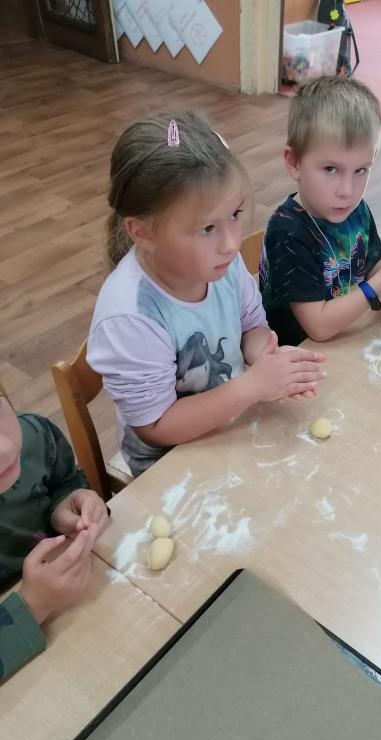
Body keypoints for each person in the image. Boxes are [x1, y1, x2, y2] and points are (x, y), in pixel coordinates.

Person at [88, 110, 326, 476]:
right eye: (206, 228)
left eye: (235, 214)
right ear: (142, 232)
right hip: (168, 465)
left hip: (231, 421)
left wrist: (267, 358)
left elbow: (251, 326)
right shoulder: (130, 318)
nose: (231, 243)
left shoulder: (220, 264)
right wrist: (251, 387)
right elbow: (156, 427)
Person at [259, 76, 381, 346]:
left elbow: (370, 268)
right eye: (330, 169)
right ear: (294, 163)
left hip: (348, 337)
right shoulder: (287, 231)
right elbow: (319, 327)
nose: (347, 191)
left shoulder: (356, 210)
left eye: (361, 170)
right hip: (298, 354)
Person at [0, 394, 108, 682]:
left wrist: (65, 505)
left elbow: (66, 480)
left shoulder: (34, 436)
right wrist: (31, 606)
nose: (5, 447)